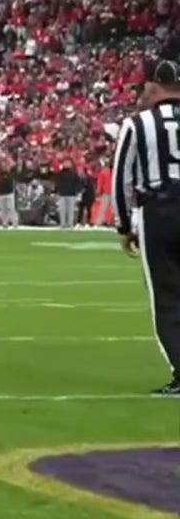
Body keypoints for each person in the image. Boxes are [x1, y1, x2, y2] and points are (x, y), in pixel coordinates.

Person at [111, 56, 180, 396]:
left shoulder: (138, 123)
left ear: (154, 87)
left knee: (166, 298)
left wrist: (124, 225)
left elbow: (121, 177)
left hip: (160, 211)